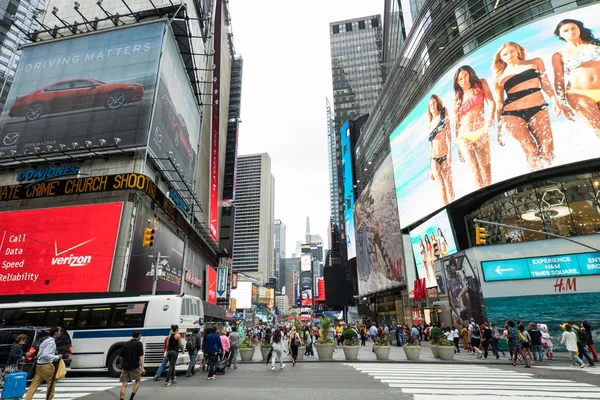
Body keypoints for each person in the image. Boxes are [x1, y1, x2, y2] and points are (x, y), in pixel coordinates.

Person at [492, 42, 562, 170]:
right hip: (512, 114)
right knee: (531, 150)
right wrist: (499, 128)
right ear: (501, 58)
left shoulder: (535, 62)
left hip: (538, 108)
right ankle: (536, 181)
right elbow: (499, 104)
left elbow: (545, 83)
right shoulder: (499, 77)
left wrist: (554, 100)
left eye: (511, 51)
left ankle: (547, 174)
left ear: (518, 51)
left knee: (548, 148)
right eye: (505, 54)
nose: (509, 55)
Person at [552, 19, 600, 137]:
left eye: (574, 28)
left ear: (579, 29)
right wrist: (562, 103)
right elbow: (558, 80)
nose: (570, 31)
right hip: (579, 94)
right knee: (598, 127)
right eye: (565, 30)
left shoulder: (596, 45)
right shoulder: (559, 55)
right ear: (560, 34)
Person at [453, 65, 495, 189]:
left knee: (486, 167)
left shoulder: (480, 84)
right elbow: (457, 123)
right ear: (457, 83)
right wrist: (458, 149)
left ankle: (489, 194)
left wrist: (491, 117)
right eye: (460, 79)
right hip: (464, 136)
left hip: (481, 131)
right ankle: (481, 198)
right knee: (475, 169)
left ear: (470, 74)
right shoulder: (457, 99)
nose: (463, 80)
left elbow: (491, 101)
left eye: (465, 76)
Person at [427, 94, 455, 205]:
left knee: (449, 186)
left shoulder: (443, 114)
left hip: (444, 156)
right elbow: (431, 146)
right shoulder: (429, 125)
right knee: (442, 190)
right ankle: (448, 209)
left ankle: (454, 205)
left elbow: (449, 134)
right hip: (434, 159)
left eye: (433, 103)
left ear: (437, 103)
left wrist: (449, 154)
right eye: (430, 105)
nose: (432, 106)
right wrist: (430, 168)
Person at [25, 327, 63, 400]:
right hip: (46, 366)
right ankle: (49, 398)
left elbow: (40, 353)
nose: (60, 333)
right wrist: (57, 357)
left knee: (34, 384)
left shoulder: (45, 341)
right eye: (59, 331)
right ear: (55, 333)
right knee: (51, 383)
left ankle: (28, 398)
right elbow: (46, 355)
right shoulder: (51, 343)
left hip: (39, 365)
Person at [447, 257, 471, 331]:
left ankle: (471, 319)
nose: (453, 268)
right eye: (451, 266)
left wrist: (459, 296)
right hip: (455, 306)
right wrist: (458, 316)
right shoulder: (448, 281)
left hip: (461, 301)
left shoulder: (458, 275)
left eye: (454, 266)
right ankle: (463, 328)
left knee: (466, 295)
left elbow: (465, 287)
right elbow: (451, 301)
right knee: (456, 322)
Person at [119, 331, 145, 400]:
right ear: (138, 336)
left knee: (124, 384)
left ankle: (121, 399)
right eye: (140, 335)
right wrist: (142, 368)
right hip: (134, 366)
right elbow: (141, 357)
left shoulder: (126, 343)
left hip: (125, 367)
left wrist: (124, 363)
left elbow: (121, 356)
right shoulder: (139, 344)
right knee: (138, 381)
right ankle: (131, 398)